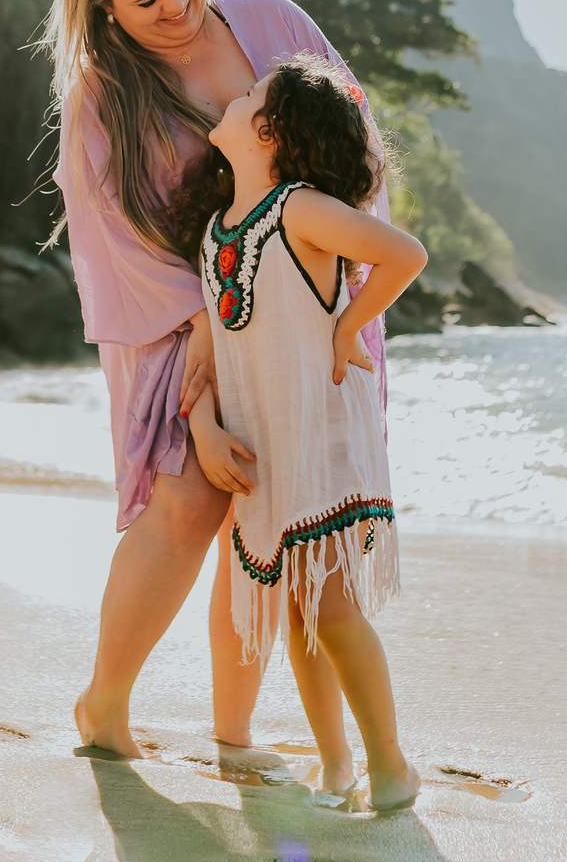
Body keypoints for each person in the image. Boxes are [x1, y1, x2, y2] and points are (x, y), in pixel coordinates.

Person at [41, 0, 389, 759]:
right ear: (103, 8)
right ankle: (104, 705)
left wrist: (325, 281)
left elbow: (357, 148)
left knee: (284, 518)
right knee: (194, 499)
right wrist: (204, 343)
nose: (177, 6)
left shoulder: (272, 23)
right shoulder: (101, 101)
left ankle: (237, 738)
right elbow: (118, 248)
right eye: (147, 0)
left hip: (305, 311)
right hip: (178, 325)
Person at [177, 53, 425, 810]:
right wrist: (206, 431)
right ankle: (338, 762)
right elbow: (203, 361)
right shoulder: (219, 234)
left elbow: (403, 254)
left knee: (330, 608)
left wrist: (349, 326)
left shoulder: (298, 209)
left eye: (250, 91)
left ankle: (391, 766)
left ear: (271, 129)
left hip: (321, 437)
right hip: (267, 448)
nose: (235, 90)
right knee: (300, 610)